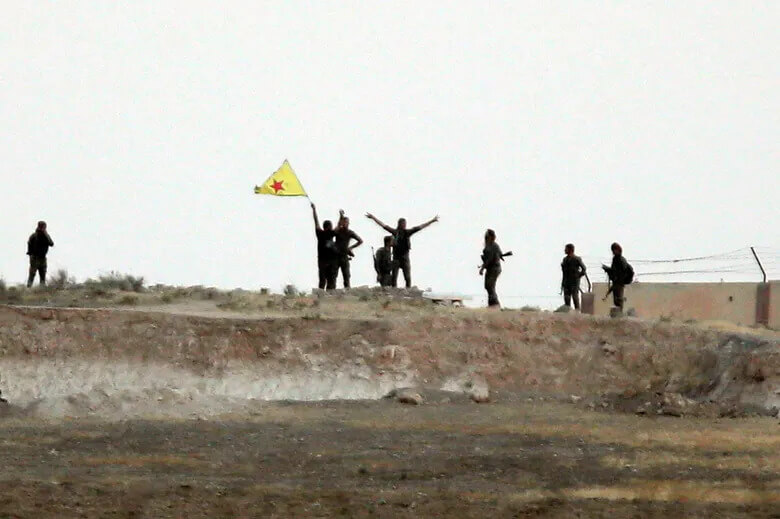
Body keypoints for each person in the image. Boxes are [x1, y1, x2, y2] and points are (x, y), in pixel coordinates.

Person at [365, 213, 439, 288]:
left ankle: (408, 291)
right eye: (403, 223)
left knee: (407, 277)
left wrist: (432, 221)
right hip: (396, 258)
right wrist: (373, 218)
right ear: (399, 224)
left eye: (405, 223)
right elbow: (383, 225)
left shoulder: (407, 232)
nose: (404, 225)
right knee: (394, 278)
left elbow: (420, 227)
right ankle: (394, 291)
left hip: (404, 257)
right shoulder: (395, 232)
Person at [311, 203, 338, 290]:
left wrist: (314, 210)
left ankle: (321, 295)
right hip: (328, 260)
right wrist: (341, 216)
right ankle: (328, 296)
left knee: (323, 280)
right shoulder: (330, 233)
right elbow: (338, 226)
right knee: (330, 280)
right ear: (329, 226)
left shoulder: (320, 233)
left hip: (322, 260)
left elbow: (316, 221)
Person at [334, 210, 363, 289]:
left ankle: (347, 293)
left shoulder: (350, 232)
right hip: (336, 256)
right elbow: (335, 229)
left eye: (347, 222)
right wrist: (340, 217)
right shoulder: (338, 231)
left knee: (346, 277)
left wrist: (351, 247)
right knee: (333, 276)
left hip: (344, 256)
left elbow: (360, 241)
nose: (346, 224)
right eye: (344, 222)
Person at [602, 242, 630, 311]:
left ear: (618, 250)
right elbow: (614, 270)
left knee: (619, 301)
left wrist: (617, 276)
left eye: (614, 250)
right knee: (616, 301)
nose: (613, 252)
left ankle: (619, 317)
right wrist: (608, 270)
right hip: (616, 282)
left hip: (620, 283)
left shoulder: (621, 260)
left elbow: (622, 271)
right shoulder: (615, 259)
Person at [479, 229, 502, 308]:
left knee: (490, 286)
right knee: (488, 286)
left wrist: (482, 268)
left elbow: (489, 259)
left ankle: (494, 304)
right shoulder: (491, 245)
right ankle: (492, 304)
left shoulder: (493, 246)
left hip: (494, 268)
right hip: (491, 268)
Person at [27, 221, 54, 288]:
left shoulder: (45, 236)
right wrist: (31, 255)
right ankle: (29, 288)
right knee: (32, 275)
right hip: (35, 258)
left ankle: (41, 290)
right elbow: (29, 244)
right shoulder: (34, 236)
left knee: (42, 275)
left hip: (42, 258)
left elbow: (51, 243)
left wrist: (46, 234)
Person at [561, 243, 587, 310]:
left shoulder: (576, 259)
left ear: (570, 250)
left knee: (575, 297)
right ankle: (567, 312)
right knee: (566, 298)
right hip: (566, 281)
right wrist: (563, 283)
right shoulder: (565, 260)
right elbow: (564, 272)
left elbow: (584, 269)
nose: (564, 250)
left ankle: (577, 312)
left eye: (566, 249)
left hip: (574, 282)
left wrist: (578, 276)